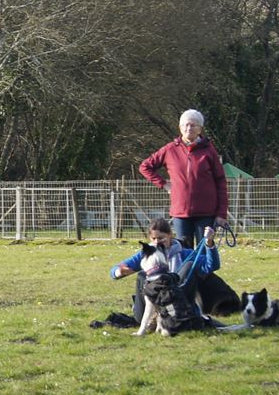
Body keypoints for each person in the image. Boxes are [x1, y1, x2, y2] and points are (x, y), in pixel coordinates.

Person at [96, 217, 221, 327]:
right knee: (142, 276)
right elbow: (114, 271)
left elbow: (211, 265)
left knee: (188, 266)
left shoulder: (184, 253)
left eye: (161, 238)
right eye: (153, 238)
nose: (157, 242)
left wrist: (209, 243)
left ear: (170, 235)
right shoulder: (147, 253)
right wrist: (119, 272)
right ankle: (148, 319)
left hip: (175, 300)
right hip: (152, 301)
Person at [138, 109, 228, 248]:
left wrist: (221, 213)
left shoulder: (209, 151)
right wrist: (163, 184)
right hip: (181, 212)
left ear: (200, 129)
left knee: (204, 250)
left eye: (193, 125)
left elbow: (221, 182)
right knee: (183, 251)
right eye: (185, 125)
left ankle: (203, 271)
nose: (189, 128)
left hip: (206, 212)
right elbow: (145, 167)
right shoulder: (170, 150)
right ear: (180, 127)